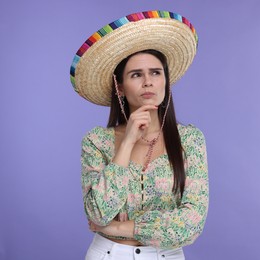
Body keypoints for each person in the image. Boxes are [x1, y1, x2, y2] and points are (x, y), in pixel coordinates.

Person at [69, 10, 209, 260]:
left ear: (166, 80)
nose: (148, 82)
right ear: (120, 87)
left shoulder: (190, 140)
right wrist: (128, 142)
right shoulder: (96, 141)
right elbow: (98, 213)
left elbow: (192, 221)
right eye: (136, 75)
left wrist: (118, 228)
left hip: (167, 255)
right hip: (109, 254)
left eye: (156, 72)